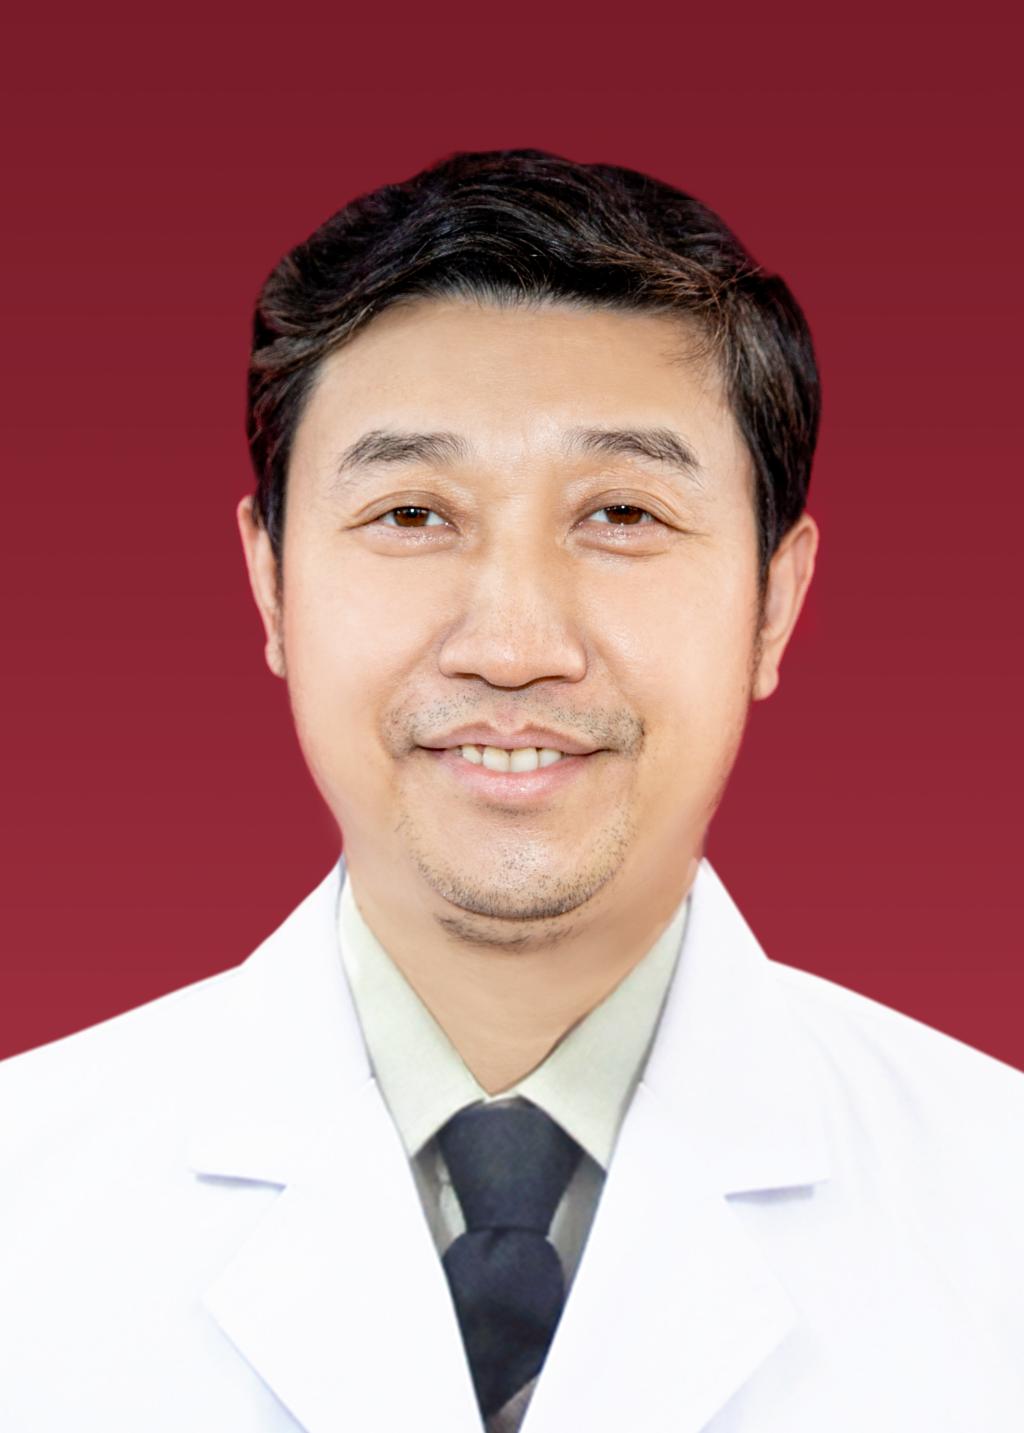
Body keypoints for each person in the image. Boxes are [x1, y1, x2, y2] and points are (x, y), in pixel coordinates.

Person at [1, 148, 1022, 1433]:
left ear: (775, 599)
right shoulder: (22, 1199)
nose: (513, 643)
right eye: (412, 514)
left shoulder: (998, 1210)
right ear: (271, 585)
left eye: (622, 514)